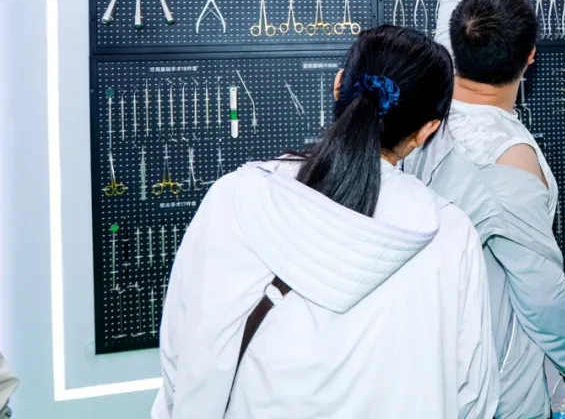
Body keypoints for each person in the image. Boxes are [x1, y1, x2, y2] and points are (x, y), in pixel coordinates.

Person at [153, 26, 497, 419]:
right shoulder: (451, 235)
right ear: (426, 130)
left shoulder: (235, 198)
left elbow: (181, 354)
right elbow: (474, 395)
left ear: (339, 86)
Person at [405, 0, 565, 419]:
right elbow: (539, 286)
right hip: (500, 383)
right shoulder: (510, 160)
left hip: (432, 357)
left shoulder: (428, 109)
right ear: (530, 57)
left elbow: (451, 16)